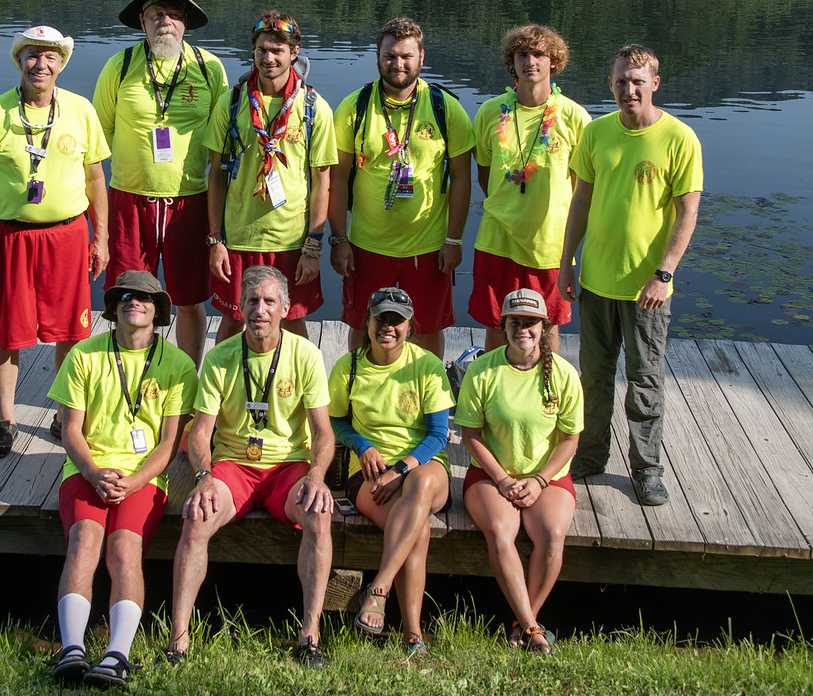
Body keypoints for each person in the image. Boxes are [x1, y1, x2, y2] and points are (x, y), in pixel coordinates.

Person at [166, 265, 334, 669]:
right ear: (239, 307)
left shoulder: (305, 355)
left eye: (270, 301)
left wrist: (316, 477)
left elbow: (323, 434)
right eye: (253, 301)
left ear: (286, 308)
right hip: (234, 466)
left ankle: (310, 634)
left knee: (319, 514)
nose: (260, 310)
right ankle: (178, 641)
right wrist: (203, 477)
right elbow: (200, 433)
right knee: (196, 516)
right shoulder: (221, 358)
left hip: (288, 466)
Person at [559, 44, 703, 506]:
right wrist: (567, 261)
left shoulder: (679, 138)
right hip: (597, 281)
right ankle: (589, 457)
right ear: (611, 84)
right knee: (594, 377)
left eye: (638, 81)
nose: (629, 90)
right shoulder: (597, 134)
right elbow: (580, 201)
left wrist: (663, 275)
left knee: (644, 380)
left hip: (647, 290)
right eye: (621, 81)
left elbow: (688, 214)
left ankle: (646, 468)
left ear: (654, 84)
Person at [0, 25, 109, 459]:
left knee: (72, 333)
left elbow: (96, 178)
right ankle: (5, 421)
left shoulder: (81, 110)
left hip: (68, 236)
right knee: (8, 335)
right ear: (19, 61)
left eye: (50, 57)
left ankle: (67, 419)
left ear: (61, 64)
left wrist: (99, 238)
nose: (41, 65)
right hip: (12, 238)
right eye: (32, 56)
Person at [47, 270, 197, 688]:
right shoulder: (84, 355)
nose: (135, 302)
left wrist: (132, 483)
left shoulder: (179, 365)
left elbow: (169, 444)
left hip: (143, 477)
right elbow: (71, 430)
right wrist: (94, 472)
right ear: (114, 308)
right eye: (126, 296)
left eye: (145, 298)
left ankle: (117, 654)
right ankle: (71, 649)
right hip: (86, 469)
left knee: (124, 550)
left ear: (158, 312)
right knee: (83, 545)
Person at [93, 0, 229, 367]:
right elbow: (98, 138)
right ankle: (124, 378)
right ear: (142, 22)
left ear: (185, 23)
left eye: (173, 15)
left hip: (191, 201)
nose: (165, 22)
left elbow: (223, 142)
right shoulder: (119, 66)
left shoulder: (209, 68)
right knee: (126, 297)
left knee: (188, 300)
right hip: (128, 200)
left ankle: (185, 382)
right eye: (156, 15)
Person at [329, 17, 474, 359]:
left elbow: (462, 179)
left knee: (427, 327)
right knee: (363, 325)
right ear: (377, 57)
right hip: (367, 244)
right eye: (390, 56)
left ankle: (428, 399)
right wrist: (339, 239)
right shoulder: (355, 108)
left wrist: (454, 241)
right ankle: (358, 386)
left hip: (427, 246)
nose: (398, 64)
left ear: (421, 57)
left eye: (406, 56)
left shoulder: (445, 107)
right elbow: (335, 178)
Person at [455, 288, 582, 655]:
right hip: (491, 476)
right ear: (503, 326)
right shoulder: (482, 370)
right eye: (515, 322)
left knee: (553, 534)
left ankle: (523, 622)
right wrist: (505, 480)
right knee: (500, 530)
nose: (522, 330)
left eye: (530, 323)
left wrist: (540, 480)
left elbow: (570, 439)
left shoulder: (563, 373)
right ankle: (532, 628)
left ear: (544, 327)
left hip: (549, 476)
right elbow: (471, 435)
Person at [327, 287, 453, 655]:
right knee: (420, 530)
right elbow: (334, 421)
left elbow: (439, 433)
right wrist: (362, 445)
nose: (388, 327)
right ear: (367, 322)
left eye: (397, 321)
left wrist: (401, 468)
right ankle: (413, 633)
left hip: (421, 466)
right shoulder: (348, 367)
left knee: (422, 484)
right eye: (381, 318)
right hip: (366, 474)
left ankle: (378, 588)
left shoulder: (426, 365)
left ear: (410, 327)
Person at [204, 11, 336, 345]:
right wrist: (215, 240)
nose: (269, 58)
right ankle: (221, 396)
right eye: (262, 49)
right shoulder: (231, 102)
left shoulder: (313, 107)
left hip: (291, 240)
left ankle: (301, 395)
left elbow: (322, 181)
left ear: (294, 53)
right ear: (254, 51)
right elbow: (216, 177)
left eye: (278, 50)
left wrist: (313, 246)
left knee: (292, 323)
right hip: (238, 236)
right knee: (233, 323)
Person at [469, 24, 590, 354]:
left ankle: (547, 395)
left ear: (554, 62)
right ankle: (492, 392)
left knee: (547, 323)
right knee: (496, 321)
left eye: (539, 54)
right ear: (512, 62)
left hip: (548, 244)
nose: (531, 61)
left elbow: (582, 189)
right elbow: (485, 173)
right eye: (522, 54)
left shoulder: (574, 117)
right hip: (497, 238)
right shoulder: (491, 112)